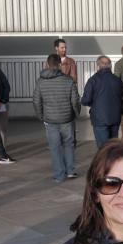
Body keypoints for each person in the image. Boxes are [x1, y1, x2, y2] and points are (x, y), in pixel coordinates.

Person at [33, 54, 81, 182]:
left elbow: (36, 101)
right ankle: (70, 171)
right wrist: (76, 113)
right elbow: (75, 100)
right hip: (67, 119)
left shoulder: (40, 81)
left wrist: (41, 116)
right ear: (60, 64)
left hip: (50, 120)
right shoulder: (68, 80)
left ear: (47, 64)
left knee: (55, 147)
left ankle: (59, 175)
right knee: (69, 145)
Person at [81, 55, 123, 148]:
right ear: (110, 65)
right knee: (113, 147)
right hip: (115, 117)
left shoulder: (93, 80)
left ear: (98, 65)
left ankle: (104, 162)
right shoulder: (117, 80)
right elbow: (121, 97)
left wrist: (92, 104)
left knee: (103, 148)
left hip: (99, 118)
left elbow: (85, 100)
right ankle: (112, 162)